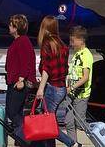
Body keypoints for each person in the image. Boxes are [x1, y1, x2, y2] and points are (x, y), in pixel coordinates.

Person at [35, 16, 77, 147]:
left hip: (53, 87)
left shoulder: (47, 44)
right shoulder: (61, 44)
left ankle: (71, 143)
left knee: (47, 123)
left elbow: (47, 68)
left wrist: (40, 88)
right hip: (61, 87)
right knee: (49, 119)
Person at [5, 14, 36, 138]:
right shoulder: (19, 41)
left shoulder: (23, 41)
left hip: (19, 82)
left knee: (13, 112)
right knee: (14, 111)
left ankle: (26, 137)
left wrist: (21, 79)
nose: (9, 26)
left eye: (11, 24)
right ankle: (22, 139)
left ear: (16, 27)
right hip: (14, 80)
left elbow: (26, 63)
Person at [65, 26, 93, 146]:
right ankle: (73, 143)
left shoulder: (86, 55)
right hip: (70, 93)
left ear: (81, 40)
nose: (71, 44)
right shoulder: (77, 54)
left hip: (80, 94)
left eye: (73, 41)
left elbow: (85, 76)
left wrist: (72, 87)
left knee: (80, 122)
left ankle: (95, 137)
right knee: (68, 121)